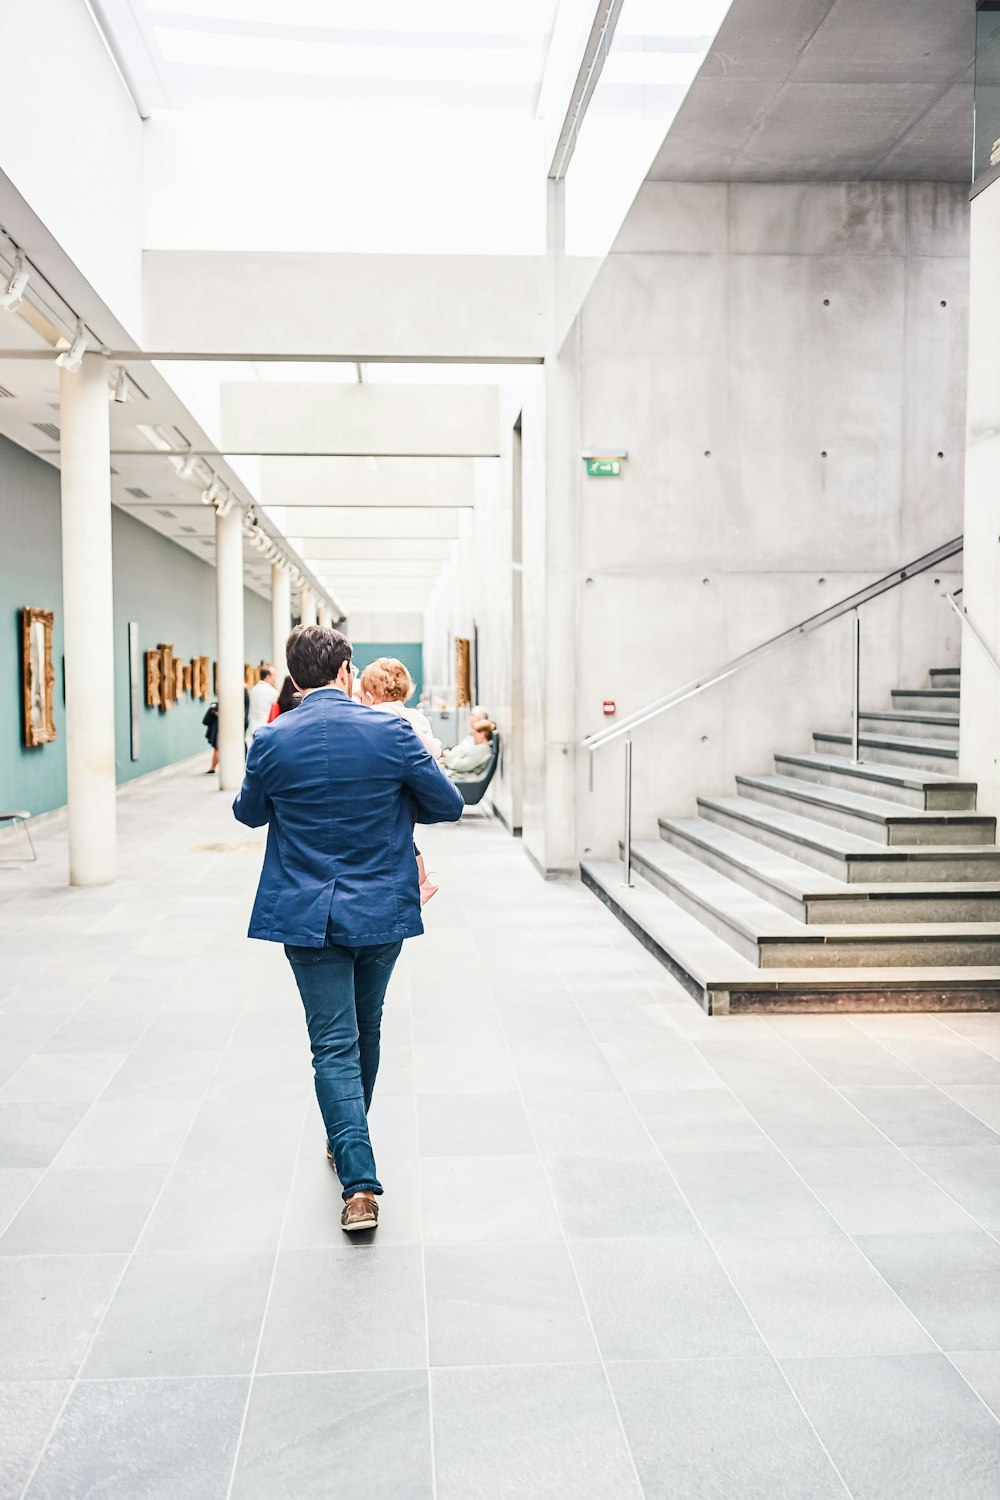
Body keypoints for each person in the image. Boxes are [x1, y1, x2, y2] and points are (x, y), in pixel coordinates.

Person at [232, 625, 464, 1232]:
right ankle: (354, 1158)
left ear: (294, 677)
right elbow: (448, 804)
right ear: (344, 671)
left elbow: (250, 813)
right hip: (380, 904)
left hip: (304, 912)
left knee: (332, 1043)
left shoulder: (271, 738)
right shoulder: (390, 732)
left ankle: (354, 1167)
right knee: (366, 1027)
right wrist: (392, 801)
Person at [360, 657, 443, 904]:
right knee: (407, 837)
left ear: (369, 695)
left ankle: (421, 883)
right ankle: (422, 882)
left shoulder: (374, 716)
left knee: (400, 838)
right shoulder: (415, 717)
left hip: (386, 789)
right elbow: (431, 748)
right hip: (412, 788)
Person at [246, 665, 278, 744]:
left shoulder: (253, 689)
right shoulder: (272, 692)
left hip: (251, 730)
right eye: (274, 676)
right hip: (265, 731)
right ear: (268, 677)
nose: (275, 679)